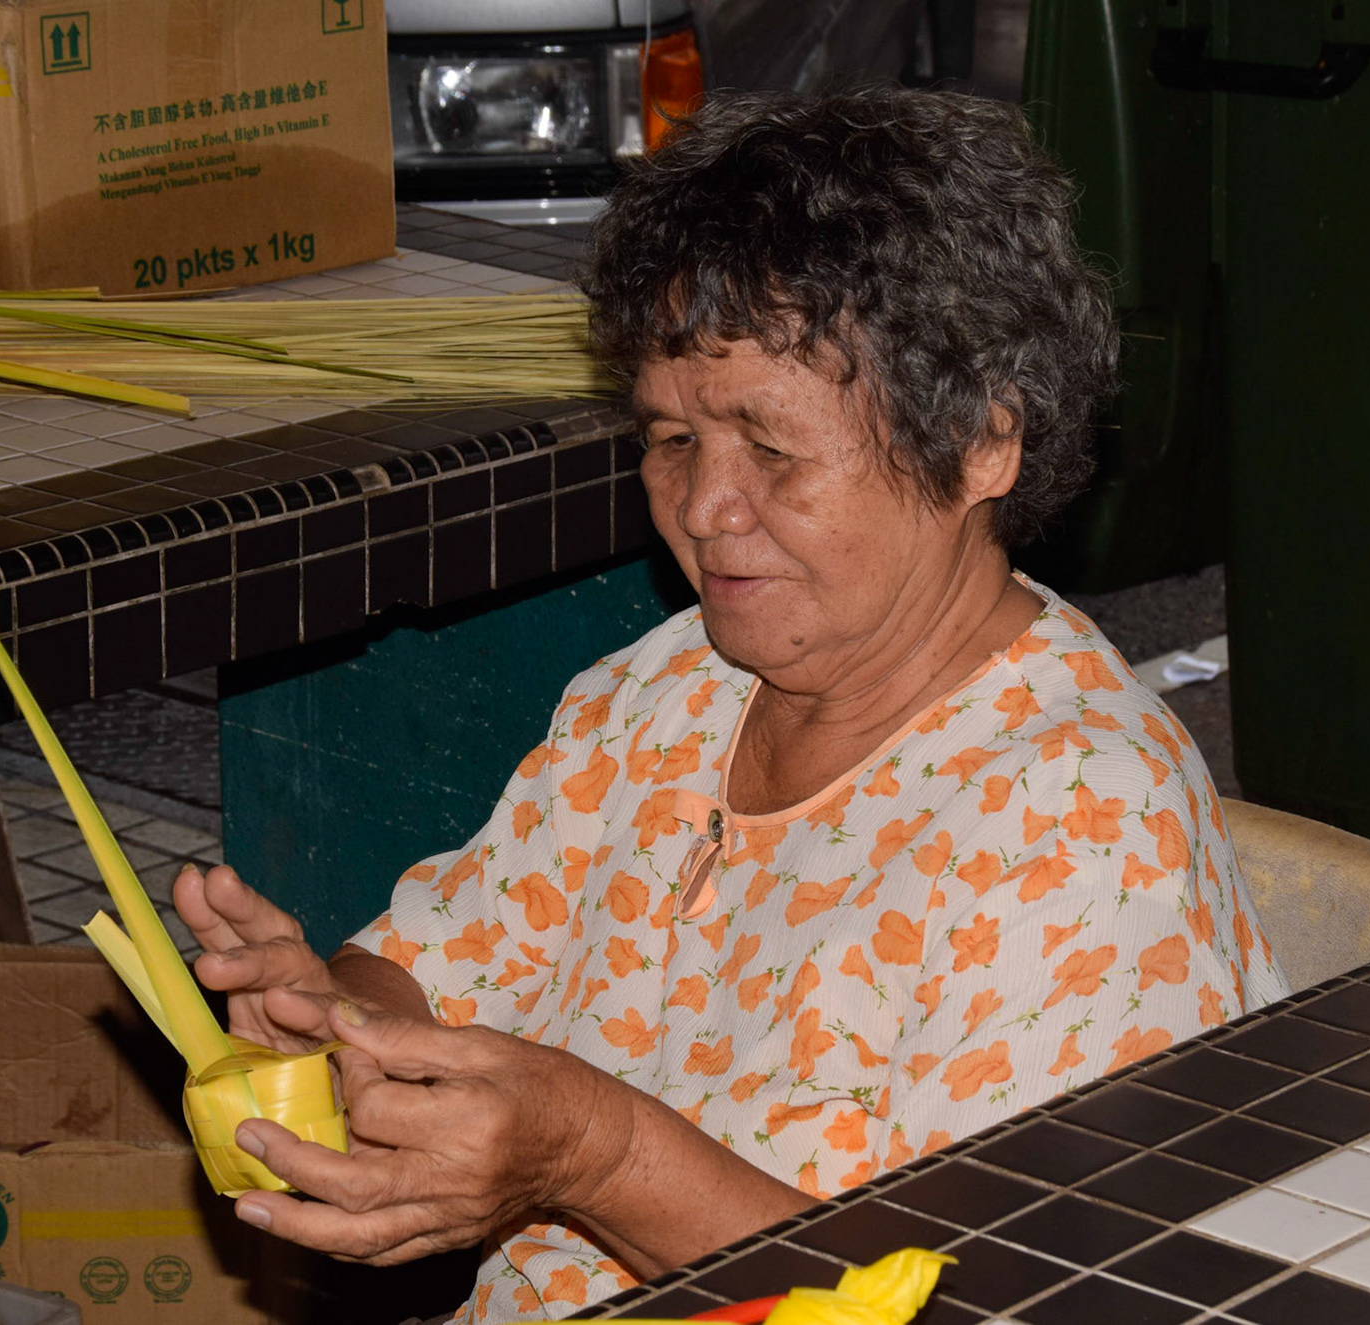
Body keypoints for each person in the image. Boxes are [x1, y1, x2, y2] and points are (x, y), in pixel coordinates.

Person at [174, 86, 1290, 1324]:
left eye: (772, 449)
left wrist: (595, 1153)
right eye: (670, 440)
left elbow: (989, 1302)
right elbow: (436, 967)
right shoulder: (665, 690)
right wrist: (337, 1029)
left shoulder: (1078, 828)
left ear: (982, 442)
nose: (704, 509)